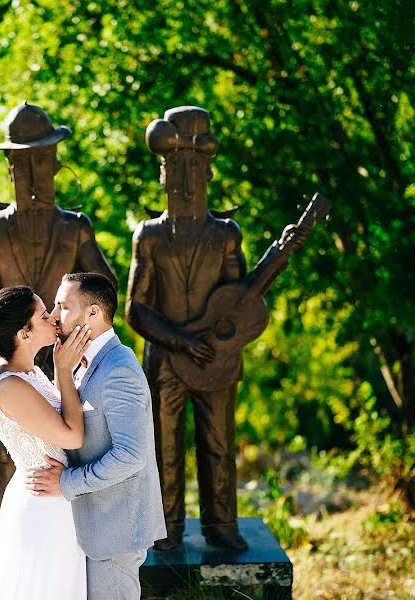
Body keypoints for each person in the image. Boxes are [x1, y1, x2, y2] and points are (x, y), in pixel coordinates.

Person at [0, 101, 116, 551]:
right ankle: (1, 551)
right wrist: (10, 336)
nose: (34, 172)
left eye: (42, 160)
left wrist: (73, 335)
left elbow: (104, 294)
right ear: (10, 166)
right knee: (7, 465)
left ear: (56, 162)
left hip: (58, 365)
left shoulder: (76, 227)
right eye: (23, 162)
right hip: (15, 358)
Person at [126, 106, 248, 551]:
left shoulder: (226, 235)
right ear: (161, 174)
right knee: (164, 451)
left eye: (194, 166)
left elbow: (244, 304)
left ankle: (222, 526)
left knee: (219, 443)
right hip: (166, 362)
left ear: (209, 173)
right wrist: (180, 340)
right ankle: (166, 529)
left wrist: (219, 340)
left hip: (216, 361)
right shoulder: (149, 235)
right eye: (173, 165)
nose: (183, 177)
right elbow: (135, 309)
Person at [0, 285, 92, 600]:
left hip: (56, 500)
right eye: (43, 315)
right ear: (24, 333)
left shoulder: (29, 371)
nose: (54, 317)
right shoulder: (10, 384)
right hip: (43, 508)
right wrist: (63, 372)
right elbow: (72, 436)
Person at [27, 272, 166, 600]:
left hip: (115, 531)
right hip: (94, 525)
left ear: (93, 314)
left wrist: (66, 483)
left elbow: (131, 456)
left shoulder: (118, 368)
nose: (55, 316)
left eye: (63, 306)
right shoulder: (80, 361)